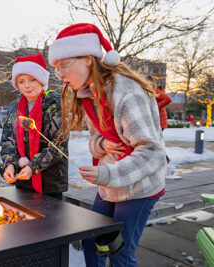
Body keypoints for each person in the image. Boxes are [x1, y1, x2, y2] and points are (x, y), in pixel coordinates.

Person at [49, 23, 166, 266]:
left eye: (64, 66)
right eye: (56, 69)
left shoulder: (127, 93)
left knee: (119, 252)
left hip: (139, 187)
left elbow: (152, 152)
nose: (60, 76)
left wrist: (106, 172)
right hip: (111, 185)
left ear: (88, 60)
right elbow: (95, 139)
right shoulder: (88, 94)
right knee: (92, 241)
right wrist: (101, 146)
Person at [0, 53, 68, 199]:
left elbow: (59, 143)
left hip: (50, 180)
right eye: (21, 81)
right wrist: (10, 164)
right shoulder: (14, 107)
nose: (27, 85)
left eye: (32, 79)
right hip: (23, 179)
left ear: (42, 80)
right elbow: (7, 140)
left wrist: (33, 167)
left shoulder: (55, 103)